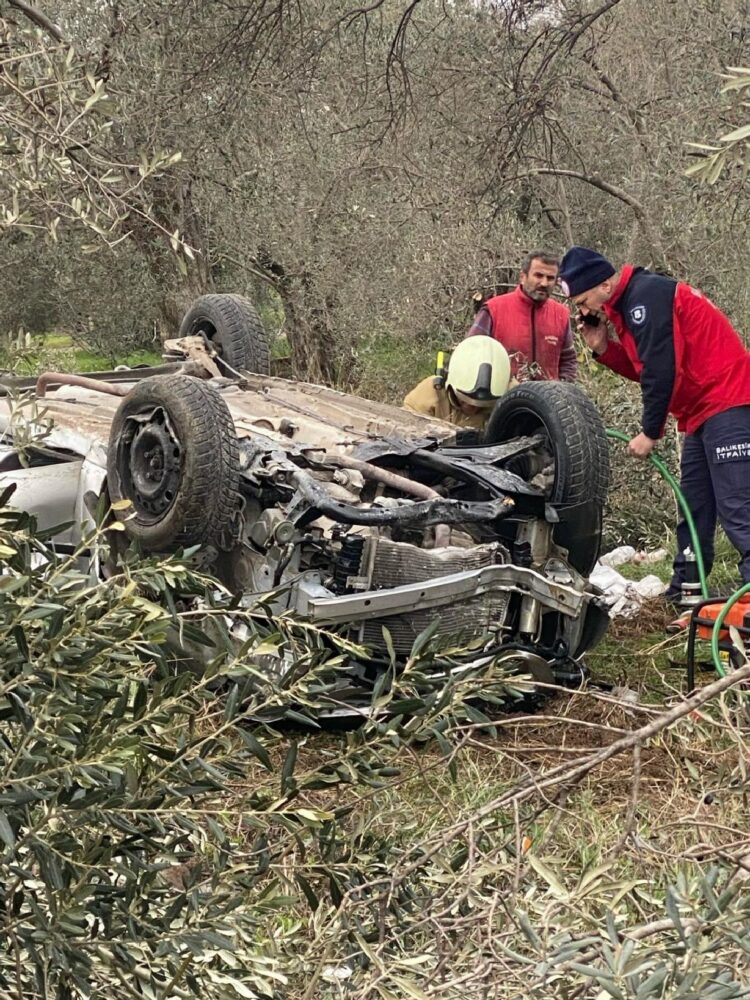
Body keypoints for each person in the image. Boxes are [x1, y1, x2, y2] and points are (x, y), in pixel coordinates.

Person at [558, 244, 750, 604]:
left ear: (602, 284)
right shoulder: (625, 307)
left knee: (739, 506)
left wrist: (650, 432)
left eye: (582, 300)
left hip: (730, 402)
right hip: (699, 414)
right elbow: (646, 368)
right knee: (694, 508)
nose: (582, 311)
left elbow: (662, 372)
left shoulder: (645, 298)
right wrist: (602, 348)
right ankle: (686, 591)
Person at [467, 250, 578, 382]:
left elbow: (568, 360)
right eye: (538, 275)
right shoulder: (494, 309)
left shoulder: (561, 314)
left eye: (550, 278)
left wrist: (562, 388)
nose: (544, 283)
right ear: (523, 277)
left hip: (546, 400)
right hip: (502, 399)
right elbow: (470, 354)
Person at [403, 337, 511, 429]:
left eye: (481, 404)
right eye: (464, 399)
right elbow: (404, 431)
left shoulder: (513, 398)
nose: (471, 407)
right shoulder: (429, 395)